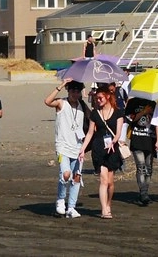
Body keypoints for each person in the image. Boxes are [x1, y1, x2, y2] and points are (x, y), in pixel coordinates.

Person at [44, 78, 89, 219]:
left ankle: (71, 207)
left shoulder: (82, 105)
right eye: (73, 91)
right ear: (68, 91)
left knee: (76, 177)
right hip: (63, 146)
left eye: (78, 91)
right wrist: (62, 85)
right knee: (66, 174)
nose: (75, 94)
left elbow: (93, 117)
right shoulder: (61, 103)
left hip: (77, 146)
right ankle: (60, 199)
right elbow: (47, 101)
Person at [85, 84, 124, 218]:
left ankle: (108, 204)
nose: (98, 100)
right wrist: (82, 149)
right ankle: (103, 210)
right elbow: (90, 133)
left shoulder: (118, 112)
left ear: (107, 96)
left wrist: (114, 141)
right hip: (98, 148)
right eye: (96, 98)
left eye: (100, 97)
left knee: (110, 183)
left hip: (112, 149)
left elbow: (118, 133)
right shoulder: (95, 114)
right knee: (103, 180)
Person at [124, 97, 157, 205]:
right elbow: (130, 119)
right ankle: (143, 194)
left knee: (149, 168)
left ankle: (145, 191)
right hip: (137, 138)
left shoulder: (153, 103)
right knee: (141, 167)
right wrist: (144, 111)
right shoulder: (133, 102)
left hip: (150, 139)